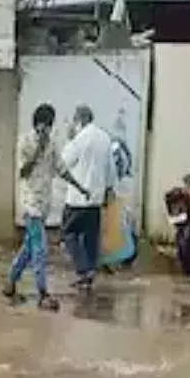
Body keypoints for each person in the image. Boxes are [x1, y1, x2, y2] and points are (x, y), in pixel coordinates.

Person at [4, 104, 61, 311]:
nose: (47, 130)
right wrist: (38, 150)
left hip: (44, 203)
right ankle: (42, 293)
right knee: (40, 249)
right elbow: (23, 171)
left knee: (29, 247)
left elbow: (60, 167)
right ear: (37, 125)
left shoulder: (53, 144)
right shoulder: (25, 143)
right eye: (45, 126)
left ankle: (11, 281)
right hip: (31, 204)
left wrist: (81, 187)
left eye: (50, 126)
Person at [59, 104, 116, 290]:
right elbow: (110, 170)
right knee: (91, 236)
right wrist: (108, 189)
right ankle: (90, 270)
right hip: (96, 199)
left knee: (68, 233)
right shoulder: (104, 138)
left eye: (75, 120)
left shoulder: (79, 139)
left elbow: (64, 162)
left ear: (80, 120)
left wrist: (69, 140)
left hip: (77, 198)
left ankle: (83, 270)